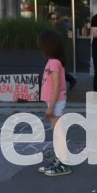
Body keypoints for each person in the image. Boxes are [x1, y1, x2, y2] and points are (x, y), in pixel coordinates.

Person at [37, 31, 71, 177]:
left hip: (55, 103)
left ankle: (63, 163)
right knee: (56, 132)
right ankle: (58, 160)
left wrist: (51, 107)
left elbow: (57, 86)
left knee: (58, 133)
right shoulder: (52, 61)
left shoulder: (55, 63)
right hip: (52, 102)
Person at [48, 13, 77, 92]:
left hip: (59, 50)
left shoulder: (60, 28)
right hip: (51, 50)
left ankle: (70, 80)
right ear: (49, 20)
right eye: (53, 19)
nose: (55, 20)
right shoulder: (48, 28)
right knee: (56, 69)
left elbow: (65, 39)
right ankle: (70, 80)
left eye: (56, 18)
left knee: (57, 68)